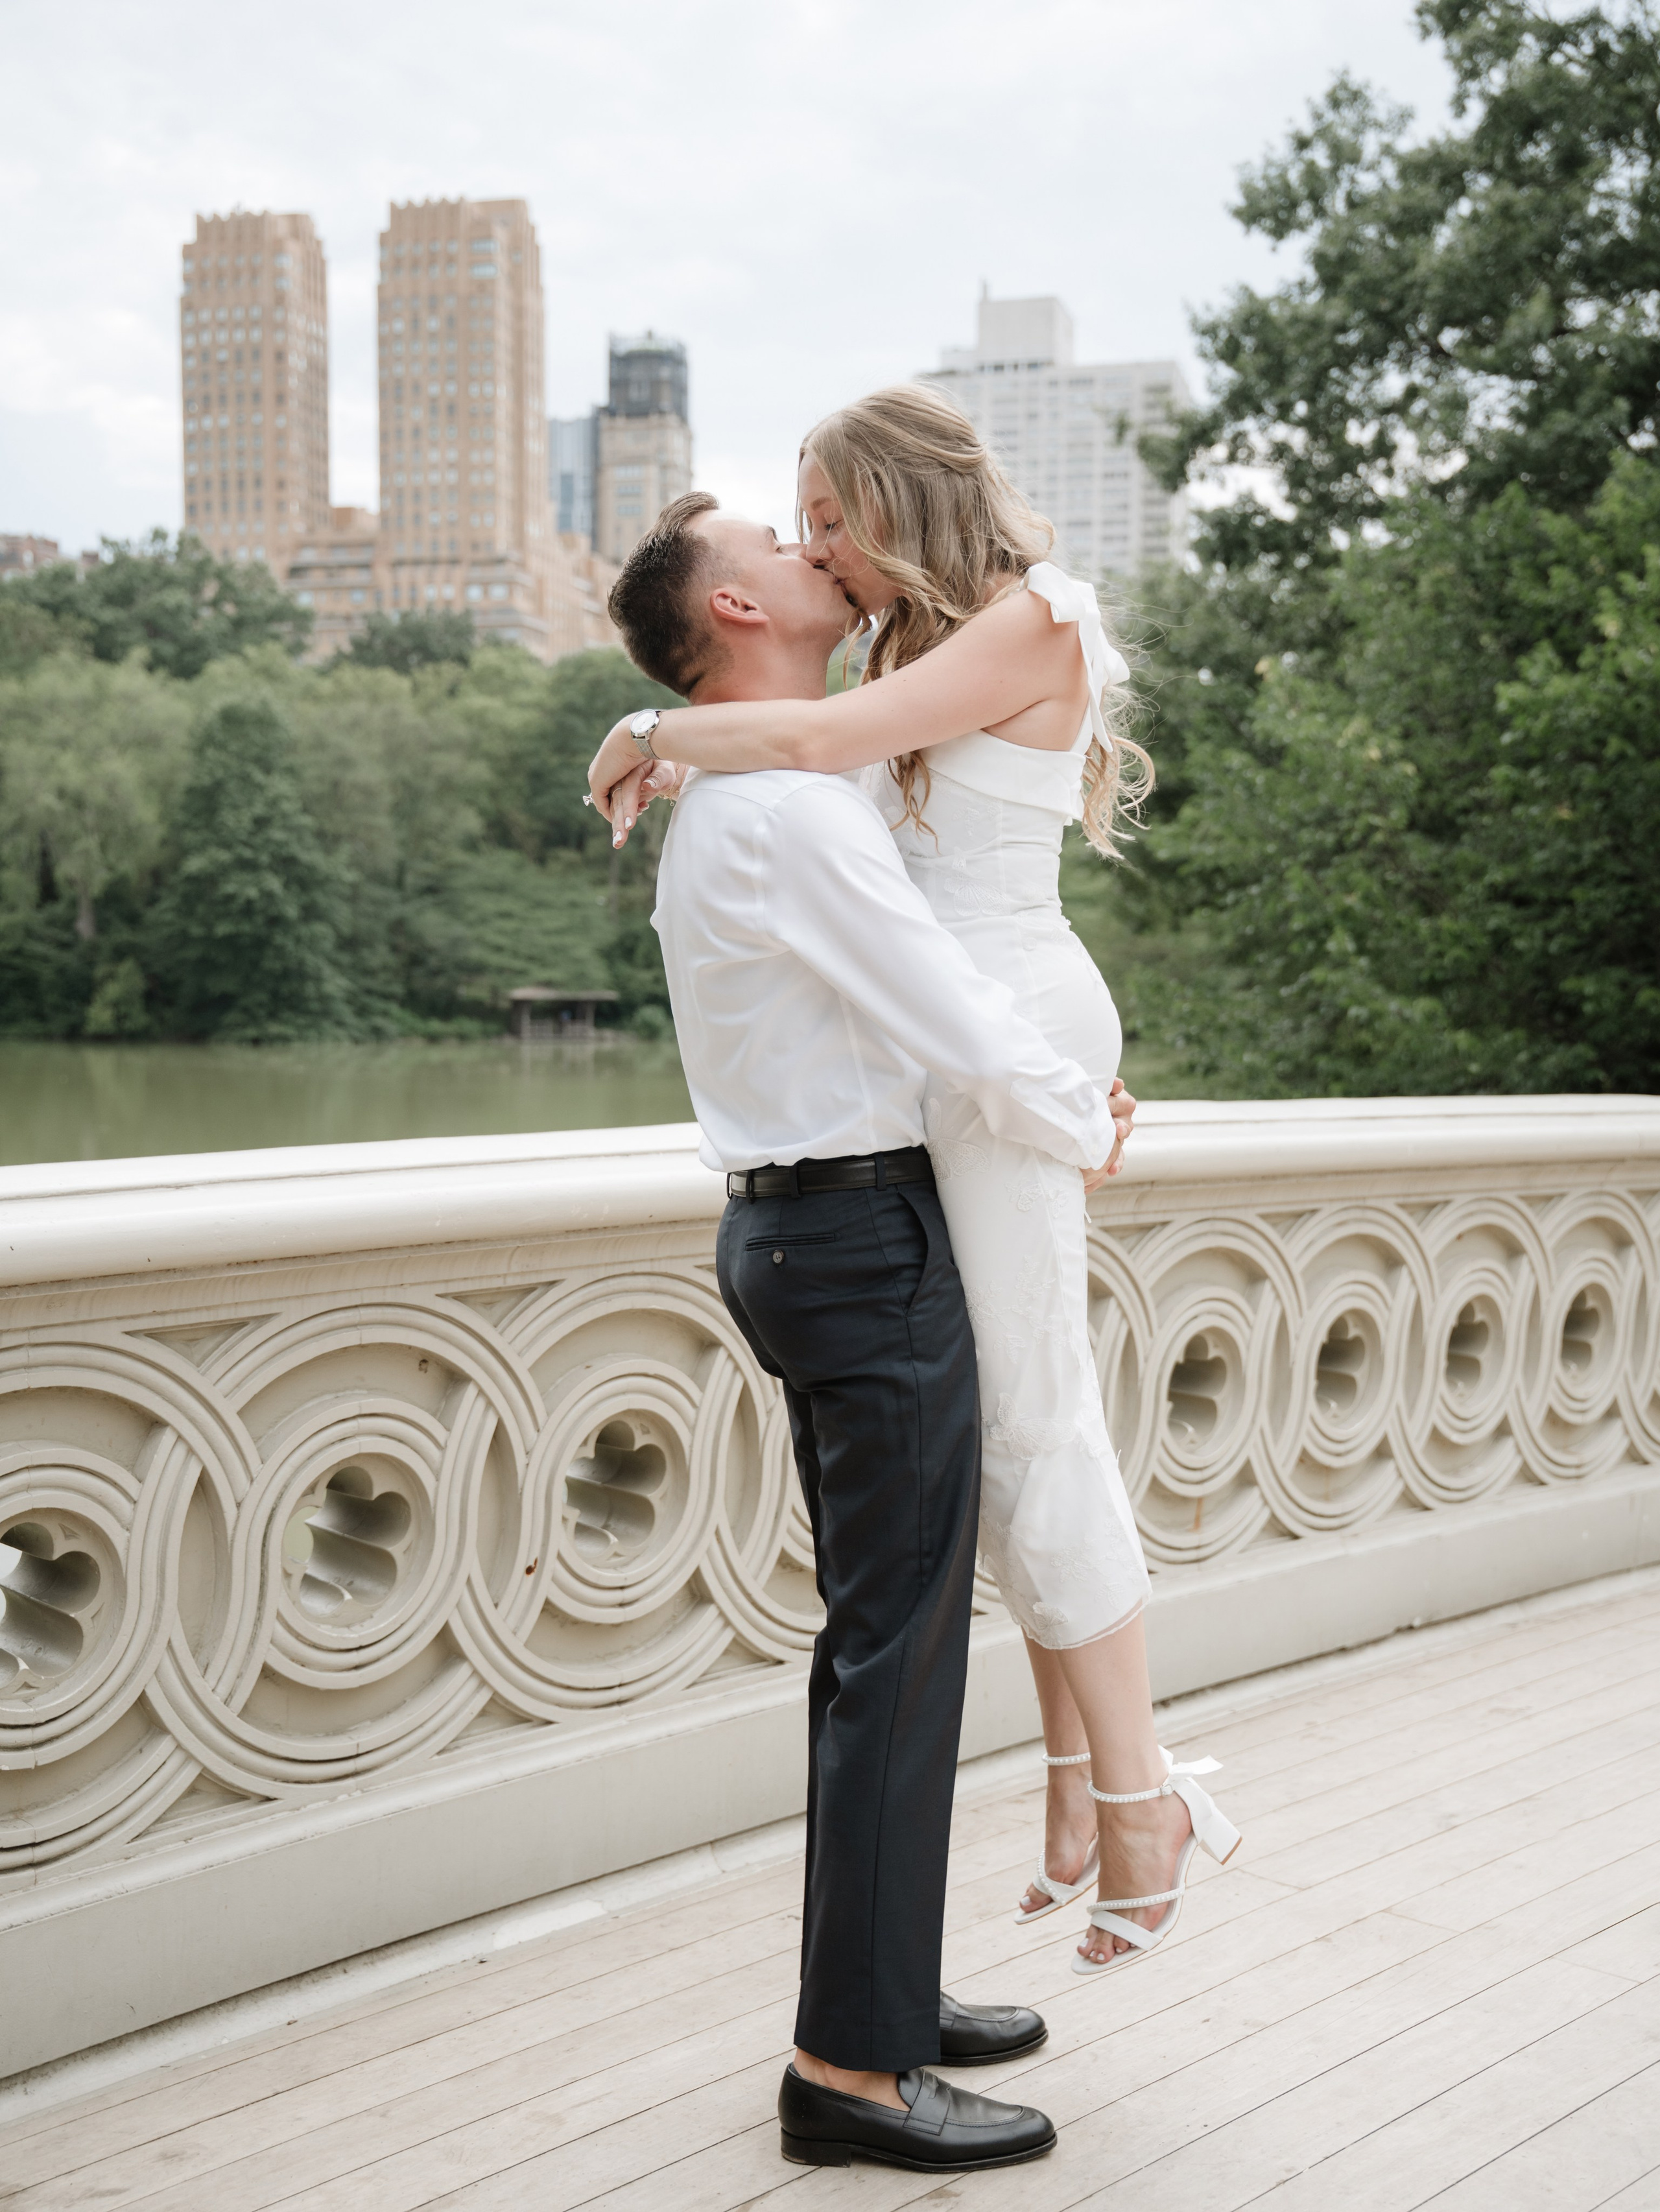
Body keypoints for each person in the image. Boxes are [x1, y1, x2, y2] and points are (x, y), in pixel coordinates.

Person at [590, 387, 1240, 1979]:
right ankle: (1079, 1778)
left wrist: (650, 731)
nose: (816, 544)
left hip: (1002, 1037)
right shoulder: (911, 655)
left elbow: (807, 751)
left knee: (1032, 1420)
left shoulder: (1034, 616)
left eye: (828, 516)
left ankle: (1135, 1789)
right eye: (792, 527)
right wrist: (679, 751)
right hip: (969, 1060)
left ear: (899, 496)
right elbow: (828, 792)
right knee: (1001, 1439)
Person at [608, 494, 1131, 2174]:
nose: (808, 533)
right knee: (894, 1660)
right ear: (742, 598)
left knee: (883, 1649)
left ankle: (881, 1996)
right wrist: (1082, 1115)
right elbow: (948, 1007)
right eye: (775, 525)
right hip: (853, 1231)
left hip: (808, 1225)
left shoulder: (758, 792)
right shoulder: (788, 817)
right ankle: (852, 2064)